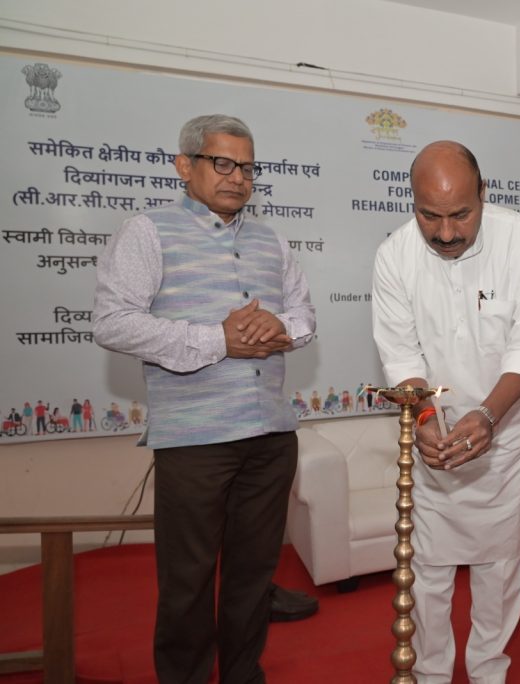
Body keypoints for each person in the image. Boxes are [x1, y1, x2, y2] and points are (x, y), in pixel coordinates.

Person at [93, 114, 318, 683]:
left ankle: (243, 675)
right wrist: (217, 339)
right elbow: (113, 323)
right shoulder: (148, 231)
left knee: (252, 578)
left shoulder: (272, 239)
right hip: (194, 441)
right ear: (184, 165)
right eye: (222, 163)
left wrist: (281, 328)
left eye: (247, 167)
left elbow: (304, 315)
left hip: (270, 437)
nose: (237, 177)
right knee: (188, 582)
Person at [371, 140, 520, 684]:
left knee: (500, 567)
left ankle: (488, 671)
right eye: (430, 215)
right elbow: (401, 355)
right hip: (434, 439)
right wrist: (427, 420)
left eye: (460, 215)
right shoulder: (394, 256)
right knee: (427, 568)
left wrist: (488, 418)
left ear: (484, 195)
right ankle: (430, 674)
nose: (446, 232)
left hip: (506, 435)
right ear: (412, 202)